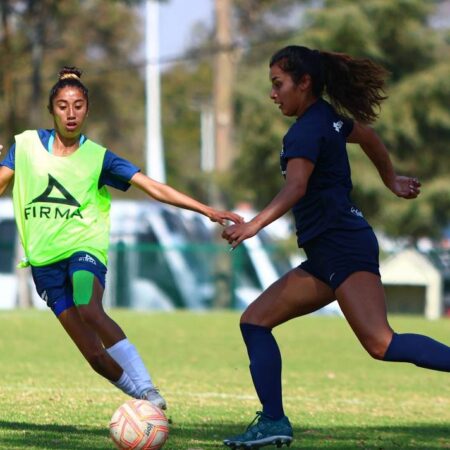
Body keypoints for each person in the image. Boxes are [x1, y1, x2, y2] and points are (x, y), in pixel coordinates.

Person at [221, 45, 450, 448]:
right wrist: (391, 179)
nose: (273, 94)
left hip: (342, 246)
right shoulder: (327, 118)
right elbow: (369, 136)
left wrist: (254, 224)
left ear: (304, 83)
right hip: (327, 252)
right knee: (254, 321)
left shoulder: (307, 128)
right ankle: (273, 421)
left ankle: (273, 420)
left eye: (278, 84)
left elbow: (296, 187)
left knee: (382, 343)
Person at [0, 66, 243, 410]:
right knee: (94, 357)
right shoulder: (24, 146)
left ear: (87, 109)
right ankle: (145, 404)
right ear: (51, 109)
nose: (71, 114)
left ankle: (148, 389)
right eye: (63, 106)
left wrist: (207, 210)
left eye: (79, 105)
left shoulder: (100, 158)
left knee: (89, 307)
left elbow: (154, 188)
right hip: (43, 263)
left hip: (83, 249)